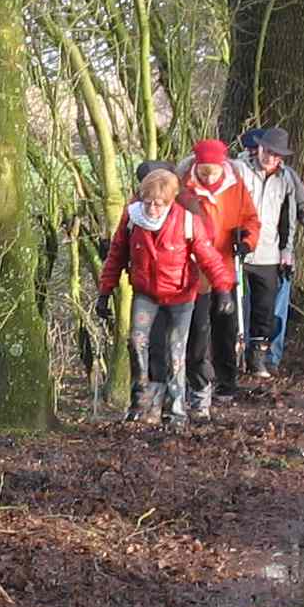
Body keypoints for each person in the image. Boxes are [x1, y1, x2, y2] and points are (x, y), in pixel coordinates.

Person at [99, 165, 229, 428]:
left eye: (159, 204)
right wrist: (104, 291)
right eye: (148, 203)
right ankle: (140, 402)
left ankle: (176, 409)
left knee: (176, 351)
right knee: (137, 342)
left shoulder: (187, 221)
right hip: (146, 293)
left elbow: (209, 257)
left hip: (181, 296)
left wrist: (223, 289)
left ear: (169, 202)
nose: (152, 209)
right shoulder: (132, 218)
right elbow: (116, 255)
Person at [233, 128, 304, 378]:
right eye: (267, 152)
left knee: (265, 309)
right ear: (258, 148)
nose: (270, 158)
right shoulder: (238, 170)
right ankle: (235, 358)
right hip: (240, 249)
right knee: (237, 307)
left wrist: (290, 248)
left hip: (269, 252)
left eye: (276, 155)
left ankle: (261, 357)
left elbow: (290, 217)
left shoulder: (286, 179)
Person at [178, 138, 260, 417]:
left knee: (226, 326)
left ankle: (227, 380)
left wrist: (247, 241)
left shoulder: (234, 186)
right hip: (195, 270)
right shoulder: (183, 188)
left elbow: (251, 219)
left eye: (213, 171)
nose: (209, 176)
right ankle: (197, 383)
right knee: (198, 330)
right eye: (204, 171)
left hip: (225, 264)